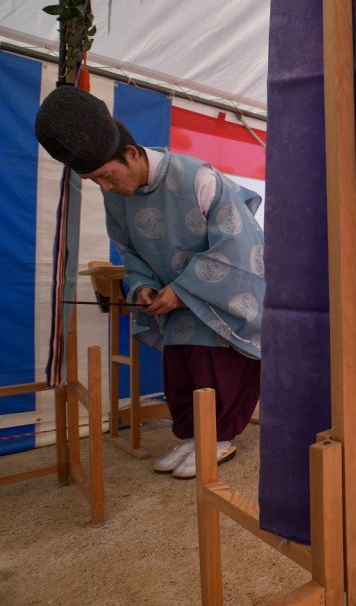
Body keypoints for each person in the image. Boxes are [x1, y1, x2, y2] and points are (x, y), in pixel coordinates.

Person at [34, 86, 265, 480]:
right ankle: (194, 437)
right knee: (181, 370)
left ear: (132, 154)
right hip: (173, 302)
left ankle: (220, 438)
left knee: (214, 367)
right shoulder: (115, 198)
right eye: (94, 182)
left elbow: (240, 245)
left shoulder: (198, 177)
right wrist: (141, 288)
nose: (106, 188)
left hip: (219, 300)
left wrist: (183, 290)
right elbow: (130, 252)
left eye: (106, 176)